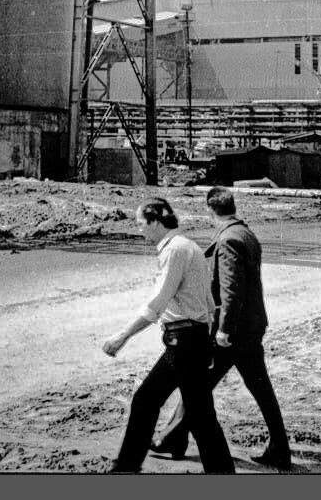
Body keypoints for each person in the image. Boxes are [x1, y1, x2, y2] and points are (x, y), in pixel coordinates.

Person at [151, 186, 292, 470]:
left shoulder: (227, 240)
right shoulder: (245, 233)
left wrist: (224, 330)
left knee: (197, 386)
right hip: (251, 327)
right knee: (261, 390)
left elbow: (231, 290)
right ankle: (280, 449)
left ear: (209, 210)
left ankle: (172, 439)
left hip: (232, 333)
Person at [102, 198, 236, 473]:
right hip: (194, 339)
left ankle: (125, 469)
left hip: (183, 342)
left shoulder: (173, 251)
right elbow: (210, 303)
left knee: (146, 401)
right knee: (200, 416)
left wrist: (121, 337)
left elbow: (156, 305)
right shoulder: (189, 246)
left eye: (141, 224)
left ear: (154, 222)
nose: (140, 230)